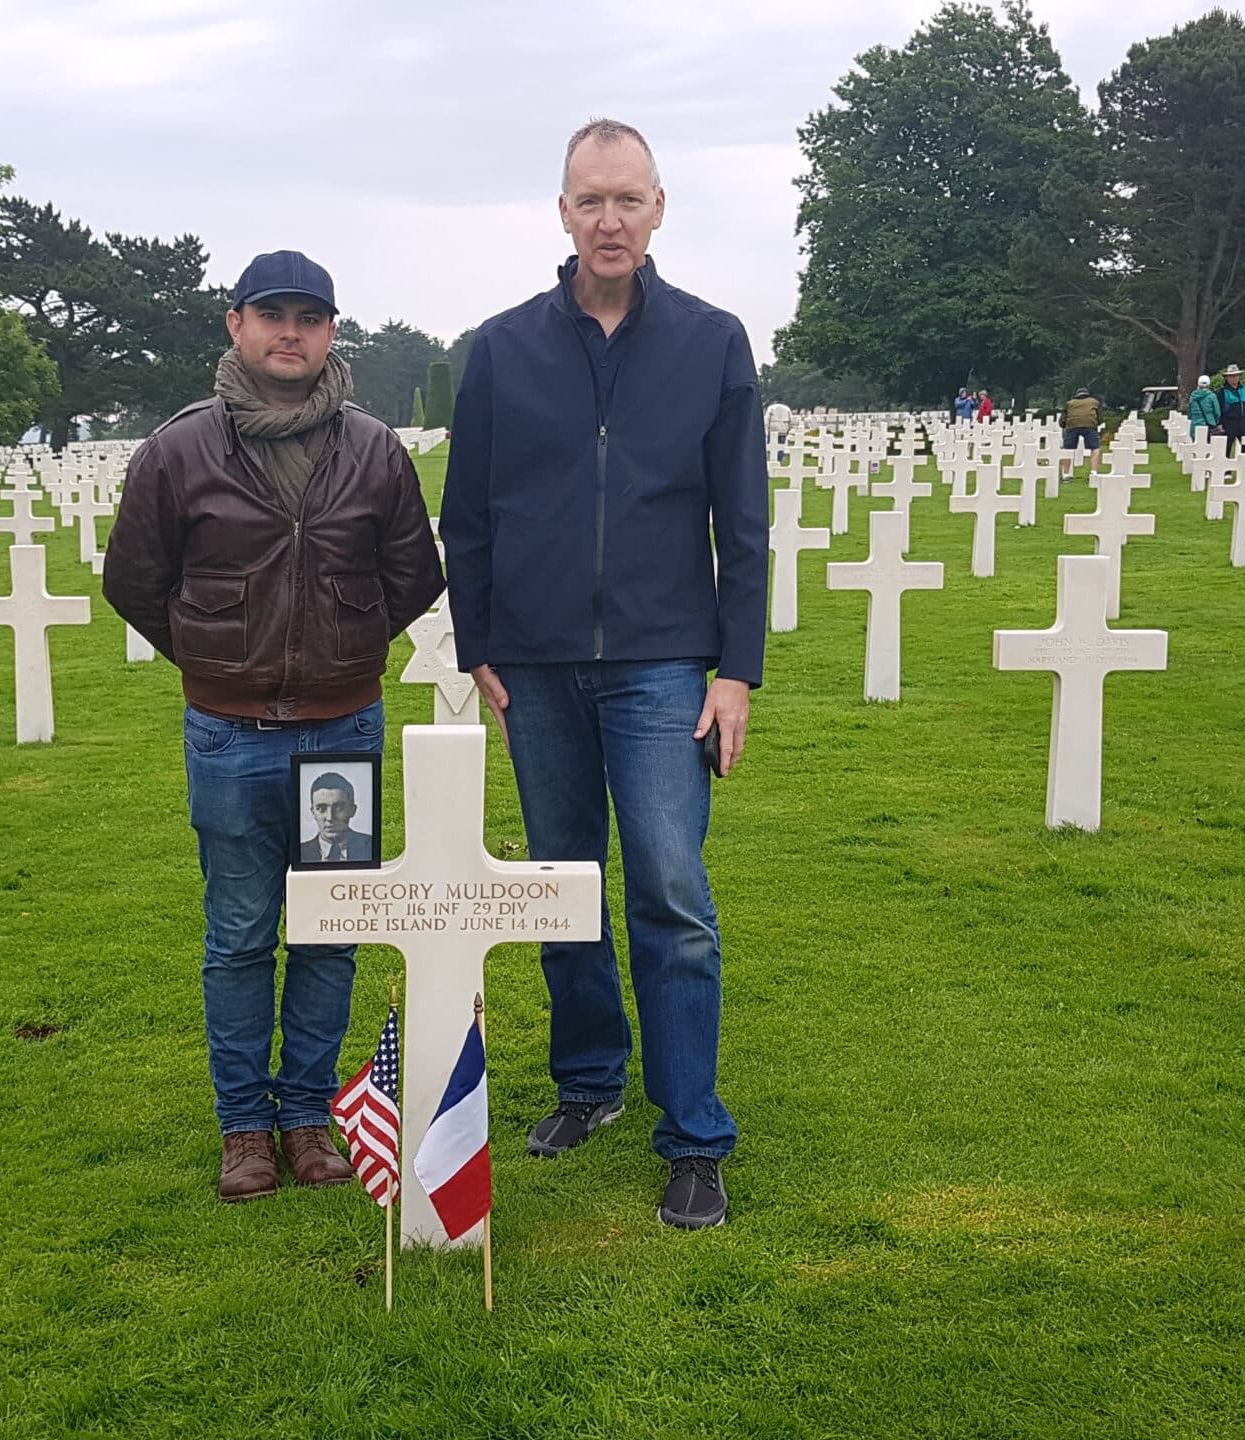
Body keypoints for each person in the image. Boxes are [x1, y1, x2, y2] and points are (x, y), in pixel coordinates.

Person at [440, 117, 765, 1231]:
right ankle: (590, 1082)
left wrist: (737, 673)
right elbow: (469, 510)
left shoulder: (713, 341)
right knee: (560, 888)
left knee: (669, 893)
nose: (609, 219)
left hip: (664, 661)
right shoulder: (500, 348)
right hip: (533, 662)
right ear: (563, 211)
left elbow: (744, 522)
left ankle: (695, 1134)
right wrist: (474, 637)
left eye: (629, 199)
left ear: (659, 208)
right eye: (591, 200)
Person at [105, 249, 446, 1205]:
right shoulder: (179, 451)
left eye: (309, 317)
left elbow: (413, 575)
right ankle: (243, 1128)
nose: (289, 332)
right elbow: (134, 580)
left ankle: (308, 1118)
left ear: (333, 332)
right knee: (241, 933)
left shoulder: (373, 449)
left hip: (342, 731)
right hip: (230, 735)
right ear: (236, 324)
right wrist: (218, 656)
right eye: (271, 314)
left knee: (331, 932)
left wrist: (341, 647)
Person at [302, 771, 373, 863]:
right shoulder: (301, 852)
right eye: (321, 809)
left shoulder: (371, 846)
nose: (330, 817)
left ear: (352, 810)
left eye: (338, 808)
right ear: (313, 812)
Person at [1059, 387, 1103, 477]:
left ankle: (1066, 474)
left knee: (1068, 449)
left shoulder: (1069, 403)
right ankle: (1094, 472)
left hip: (1072, 426)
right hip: (1090, 425)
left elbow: (1063, 419)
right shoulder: (1094, 402)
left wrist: (1064, 426)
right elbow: (1100, 418)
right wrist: (1096, 423)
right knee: (1095, 448)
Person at [1217, 364, 1245, 456]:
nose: (1234, 378)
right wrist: (1219, 423)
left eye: (1236, 376)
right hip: (1229, 423)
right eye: (1231, 376)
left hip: (1243, 422)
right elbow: (1219, 409)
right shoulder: (1222, 392)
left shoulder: (1244, 389)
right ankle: (1226, 470)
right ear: (1227, 378)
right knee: (1227, 448)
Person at [1186, 374, 1221, 443]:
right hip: (1208, 426)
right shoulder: (1212, 396)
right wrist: (1215, 421)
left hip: (1194, 426)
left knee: (1195, 447)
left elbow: (1190, 412)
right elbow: (1217, 412)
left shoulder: (1193, 396)